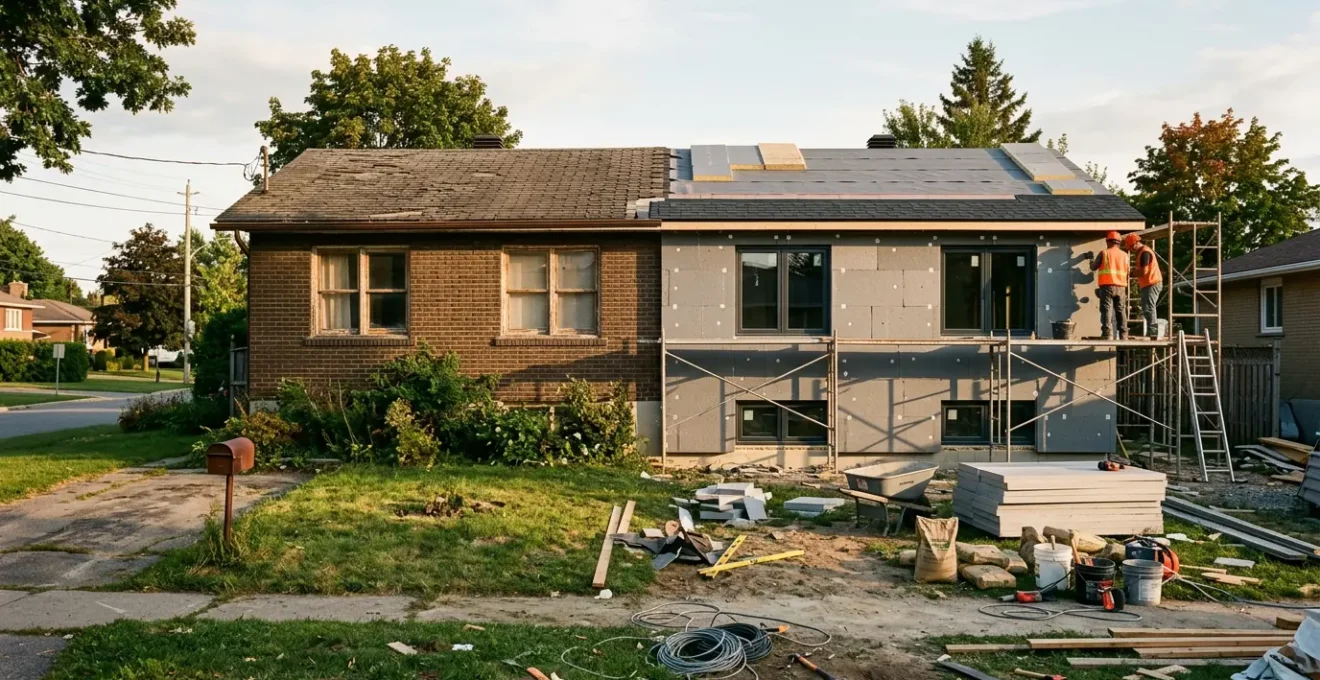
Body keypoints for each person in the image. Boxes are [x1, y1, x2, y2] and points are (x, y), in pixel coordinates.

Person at [1089, 231, 1130, 340]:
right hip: (1121, 286)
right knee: (1121, 310)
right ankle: (1124, 334)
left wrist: (1091, 261)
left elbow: (1093, 267)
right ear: (1118, 242)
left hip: (1107, 286)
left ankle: (1107, 334)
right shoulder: (1125, 255)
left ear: (1108, 242)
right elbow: (1128, 272)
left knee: (1106, 309)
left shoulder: (1104, 253)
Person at [1123, 233, 1163, 338]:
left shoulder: (1145, 253)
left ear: (1135, 243)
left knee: (1149, 307)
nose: (1131, 249)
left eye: (1131, 247)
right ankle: (1152, 329)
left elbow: (1143, 272)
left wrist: (1132, 272)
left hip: (1152, 282)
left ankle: (1153, 330)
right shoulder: (1142, 252)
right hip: (1148, 283)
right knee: (1147, 307)